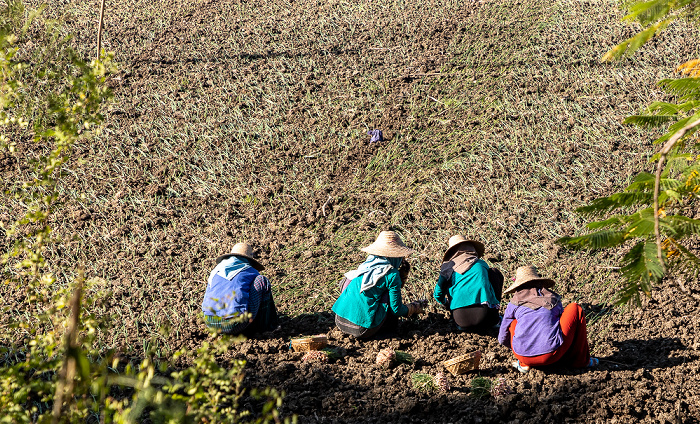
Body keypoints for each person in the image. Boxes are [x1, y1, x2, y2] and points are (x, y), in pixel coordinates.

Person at [497, 265, 599, 372]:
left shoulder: (513, 303)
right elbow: (561, 325)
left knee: (514, 322)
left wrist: (518, 349)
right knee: (575, 308)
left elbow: (502, 337)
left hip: (522, 356)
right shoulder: (551, 298)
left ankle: (524, 364)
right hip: (551, 355)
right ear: (539, 282)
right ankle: (581, 361)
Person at [332, 230, 425, 339]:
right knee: (387, 298)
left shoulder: (365, 266)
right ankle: (387, 333)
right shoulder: (392, 274)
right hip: (361, 329)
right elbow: (396, 309)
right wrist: (414, 308)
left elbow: (345, 285)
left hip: (339, 321)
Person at [201, 242, 279, 336]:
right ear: (248, 260)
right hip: (234, 324)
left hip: (210, 322)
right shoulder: (250, 271)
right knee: (262, 281)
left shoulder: (215, 272)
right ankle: (267, 327)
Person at [433, 235, 503, 331]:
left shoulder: (447, 268)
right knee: (494, 273)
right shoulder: (481, 264)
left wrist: (446, 304)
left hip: (460, 319)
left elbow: (438, 294)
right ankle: (495, 319)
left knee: (451, 284)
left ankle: (460, 324)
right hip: (484, 316)